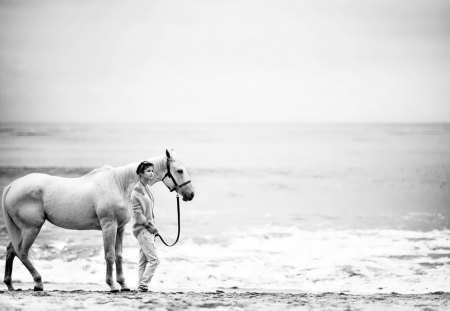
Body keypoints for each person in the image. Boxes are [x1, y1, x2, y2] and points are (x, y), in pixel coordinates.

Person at [131, 161, 160, 292]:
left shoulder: (146, 187)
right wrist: (149, 226)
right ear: (140, 174)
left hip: (147, 229)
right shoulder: (137, 190)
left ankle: (140, 287)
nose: (152, 173)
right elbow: (137, 214)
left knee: (143, 262)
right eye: (148, 171)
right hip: (143, 229)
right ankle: (143, 284)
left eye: (152, 170)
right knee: (154, 260)